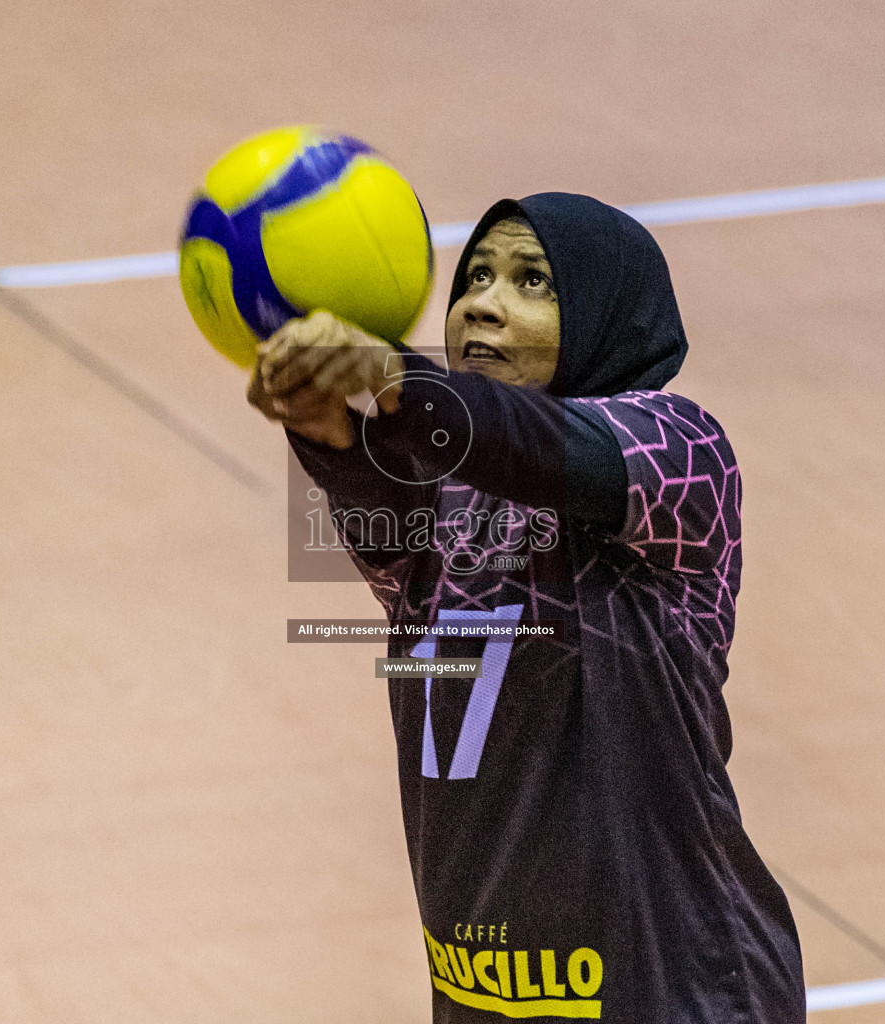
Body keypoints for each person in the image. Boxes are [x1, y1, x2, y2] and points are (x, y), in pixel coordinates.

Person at [249, 193, 806, 1022]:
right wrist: (324, 425)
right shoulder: (443, 494)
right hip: (487, 996)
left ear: (605, 313)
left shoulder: (683, 453)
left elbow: (549, 450)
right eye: (475, 274)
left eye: (532, 281)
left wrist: (403, 379)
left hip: (678, 987)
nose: (482, 301)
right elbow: (390, 484)